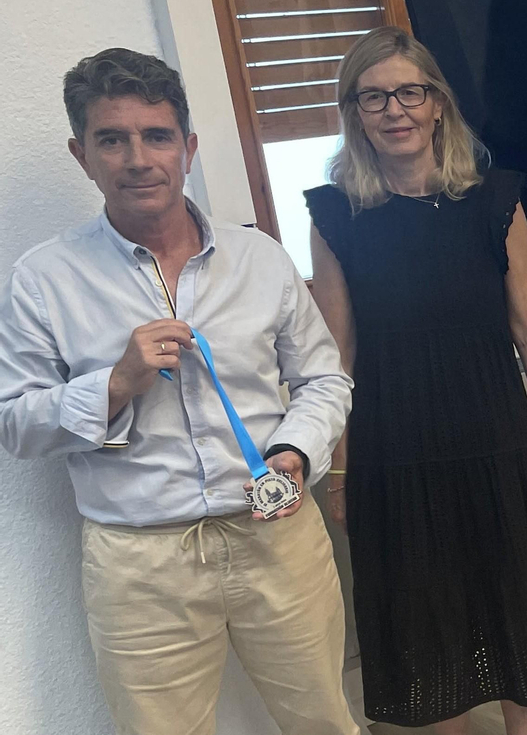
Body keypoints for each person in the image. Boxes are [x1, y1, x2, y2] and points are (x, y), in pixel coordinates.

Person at [0, 49, 357, 735]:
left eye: (156, 135)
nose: (138, 158)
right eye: (113, 138)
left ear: (187, 148)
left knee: (323, 720)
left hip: (276, 539)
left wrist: (296, 452)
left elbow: (323, 377)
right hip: (140, 563)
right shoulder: (44, 279)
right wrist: (116, 382)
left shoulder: (259, 258)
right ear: (83, 155)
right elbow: (16, 425)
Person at [304, 27, 527, 733]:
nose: (393, 109)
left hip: (495, 438)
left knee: (514, 600)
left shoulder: (496, 199)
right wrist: (339, 471)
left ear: (437, 105)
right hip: (392, 449)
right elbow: (337, 355)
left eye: (409, 91)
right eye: (373, 96)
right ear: (355, 113)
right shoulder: (335, 215)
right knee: (426, 623)